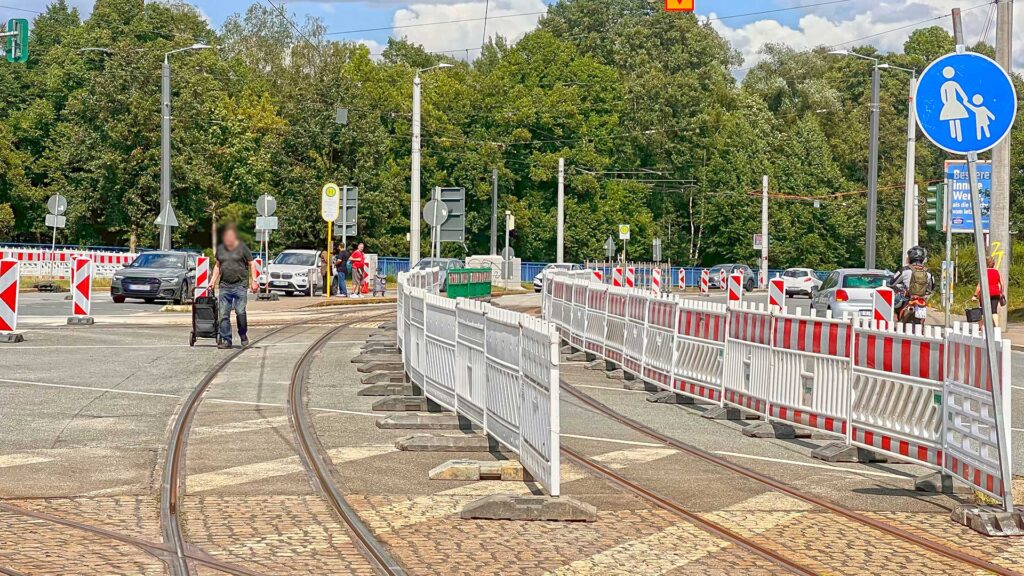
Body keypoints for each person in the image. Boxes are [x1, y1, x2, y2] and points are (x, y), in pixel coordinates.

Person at [210, 223, 257, 349]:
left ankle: (242, 334)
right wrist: (212, 280)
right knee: (223, 315)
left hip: (240, 285)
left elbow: (251, 263)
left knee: (240, 311)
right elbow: (218, 265)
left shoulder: (243, 248)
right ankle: (226, 340)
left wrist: (254, 280)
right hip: (224, 286)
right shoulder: (220, 249)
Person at [890, 246, 935, 319]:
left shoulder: (904, 270)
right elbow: (932, 287)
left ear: (910, 257)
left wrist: (897, 288)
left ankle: (896, 323)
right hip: (921, 299)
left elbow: (892, 283)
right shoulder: (928, 272)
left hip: (907, 298)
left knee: (894, 306)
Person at [972, 256, 1005, 327]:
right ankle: (996, 327)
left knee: (982, 311)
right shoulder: (996, 272)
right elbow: (1002, 283)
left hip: (985, 294)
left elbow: (979, 286)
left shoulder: (983, 272)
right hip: (996, 293)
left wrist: (975, 295)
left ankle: (981, 327)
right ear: (993, 263)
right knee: (994, 311)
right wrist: (1001, 293)